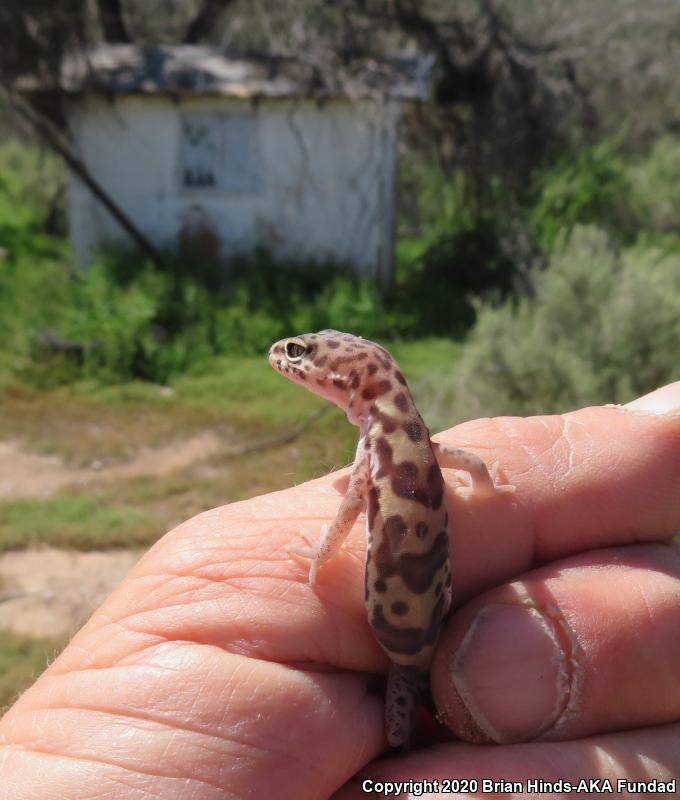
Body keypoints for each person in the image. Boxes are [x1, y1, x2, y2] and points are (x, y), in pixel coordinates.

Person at [1, 383, 679, 799]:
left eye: (299, 357)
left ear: (344, 380)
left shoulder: (385, 441)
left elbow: (355, 503)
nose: (287, 364)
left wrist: (320, 557)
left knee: (416, 716)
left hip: (406, 651)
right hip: (411, 637)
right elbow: (454, 461)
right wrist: (483, 480)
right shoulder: (408, 431)